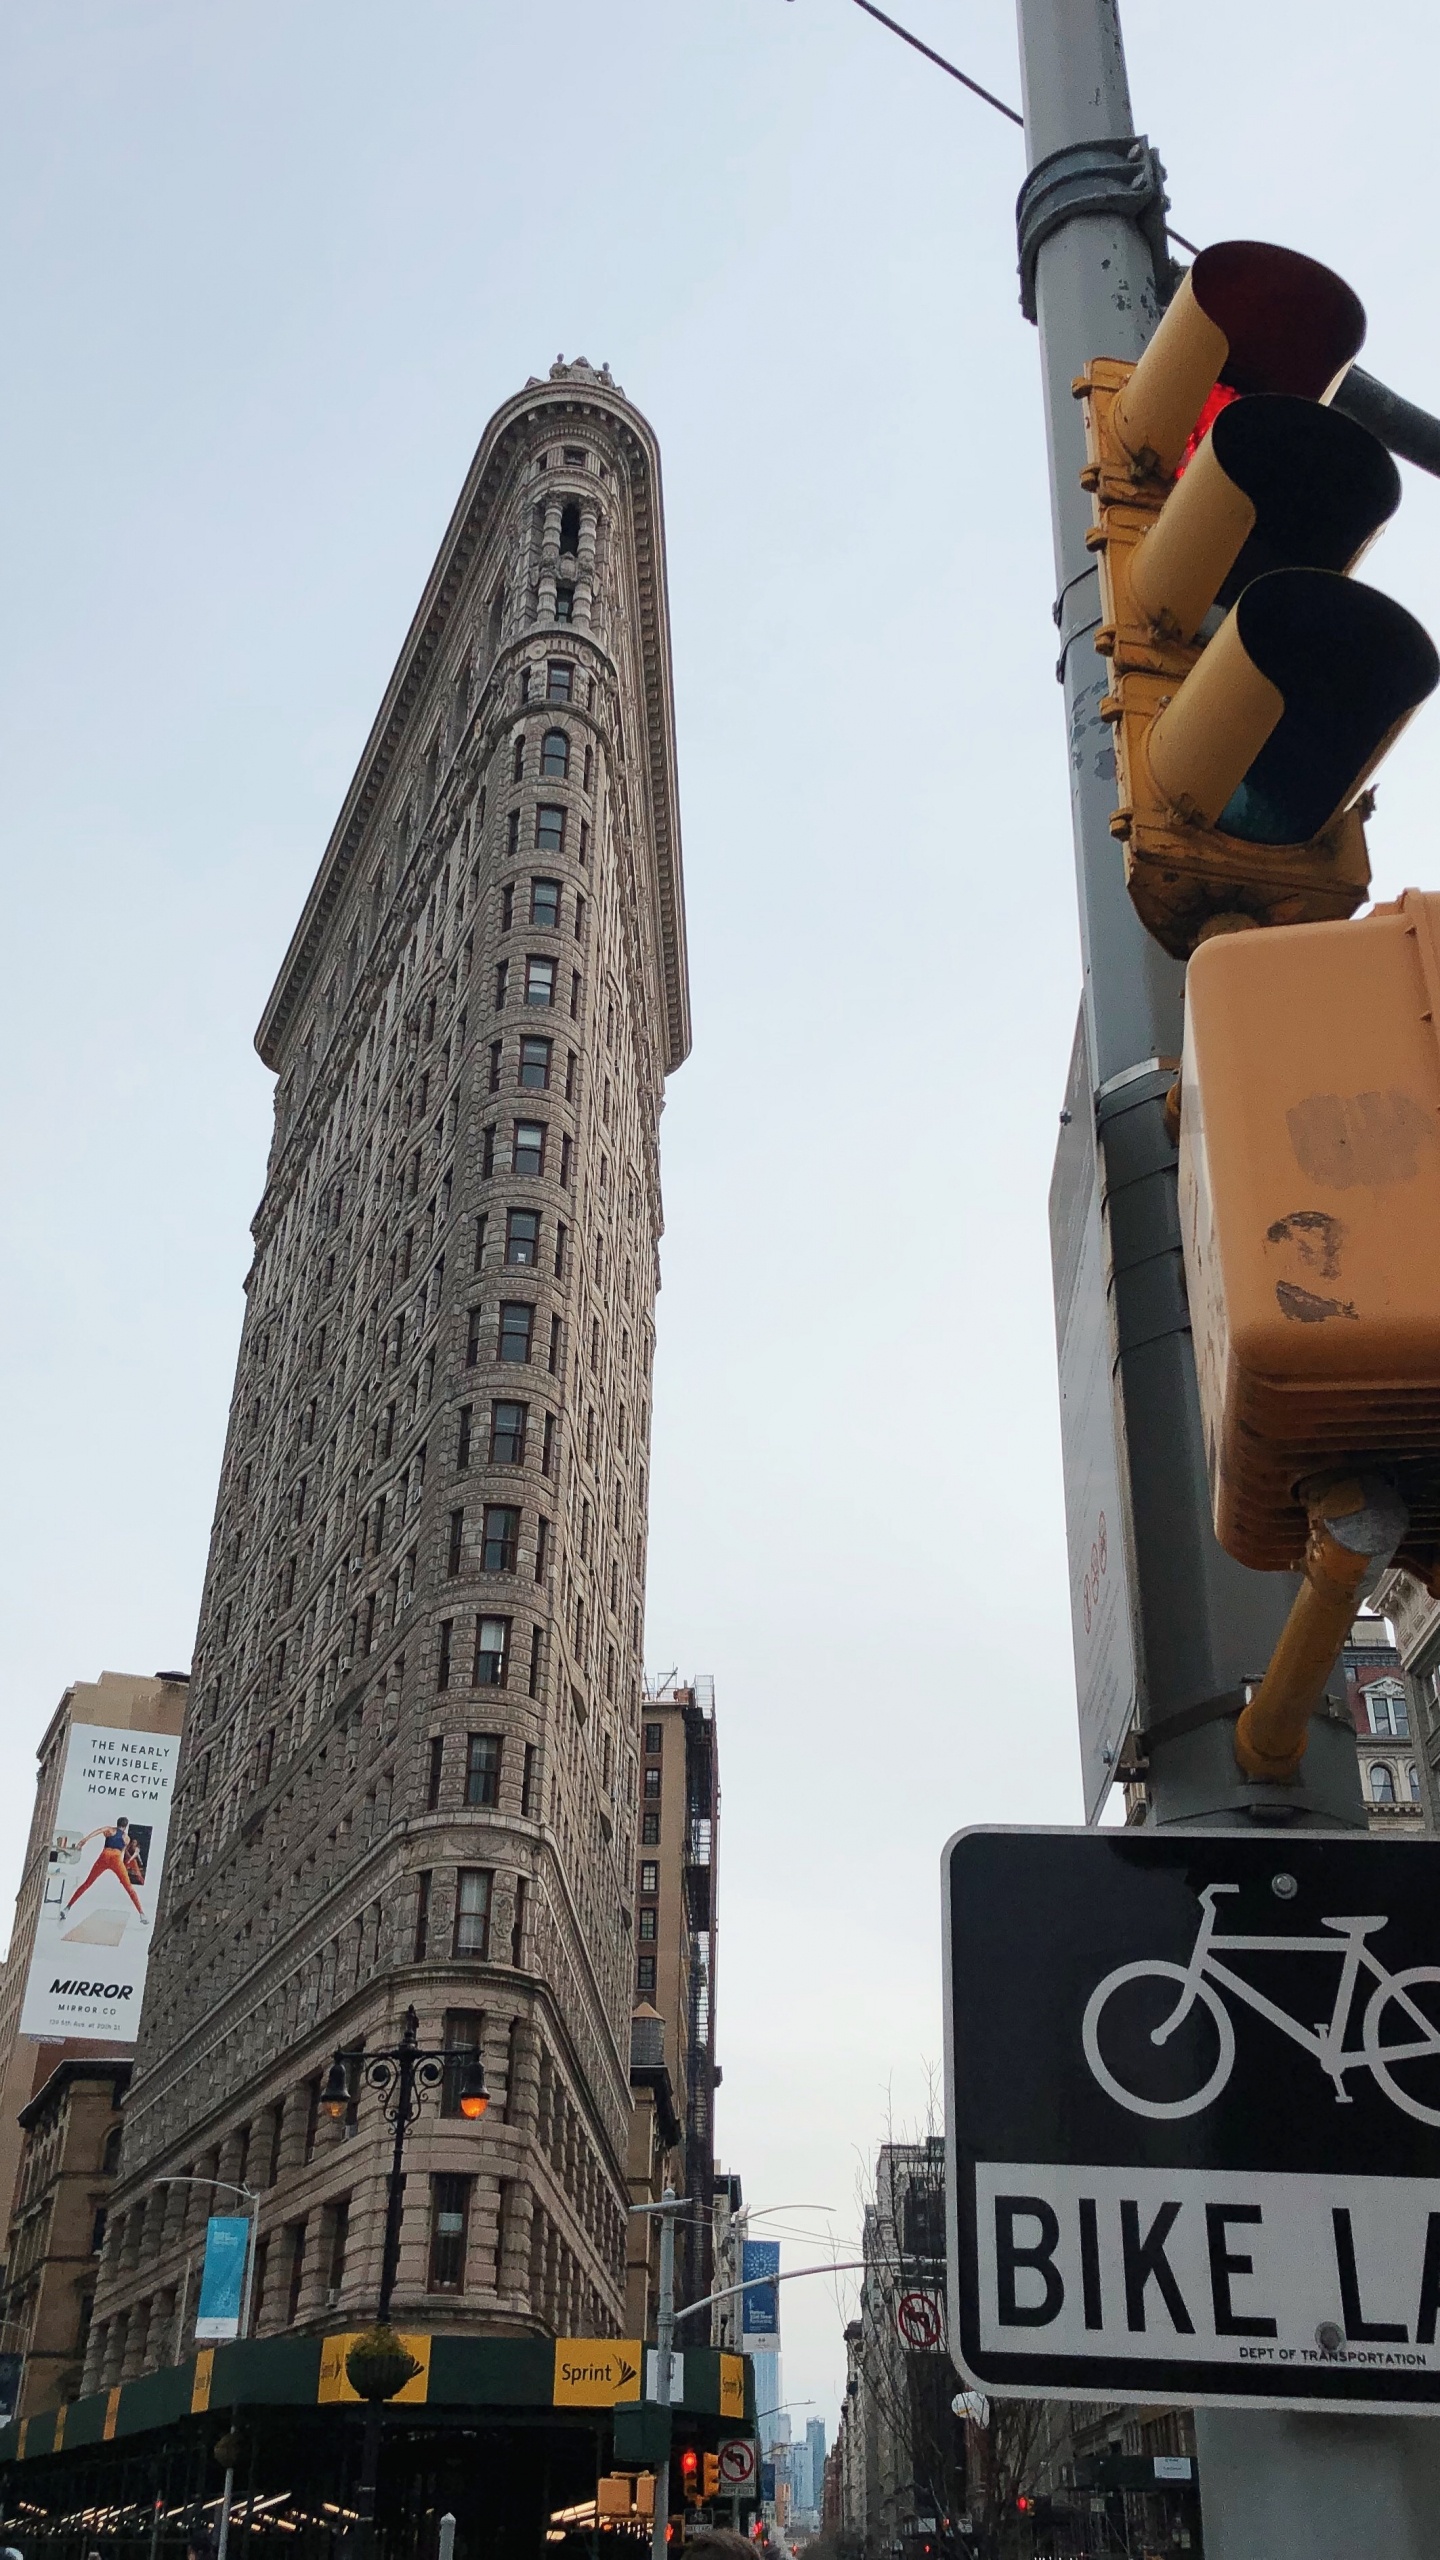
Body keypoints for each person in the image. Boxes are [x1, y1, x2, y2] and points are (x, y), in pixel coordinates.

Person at [66, 1818, 147, 1919]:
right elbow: (122, 1852)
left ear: (117, 1824)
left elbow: (99, 1831)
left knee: (87, 1883)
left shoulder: (110, 1830)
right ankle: (141, 1913)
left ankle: (67, 1907)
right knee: (129, 1888)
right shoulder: (126, 1838)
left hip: (105, 1855)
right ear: (125, 1826)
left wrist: (85, 1840)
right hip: (116, 1858)